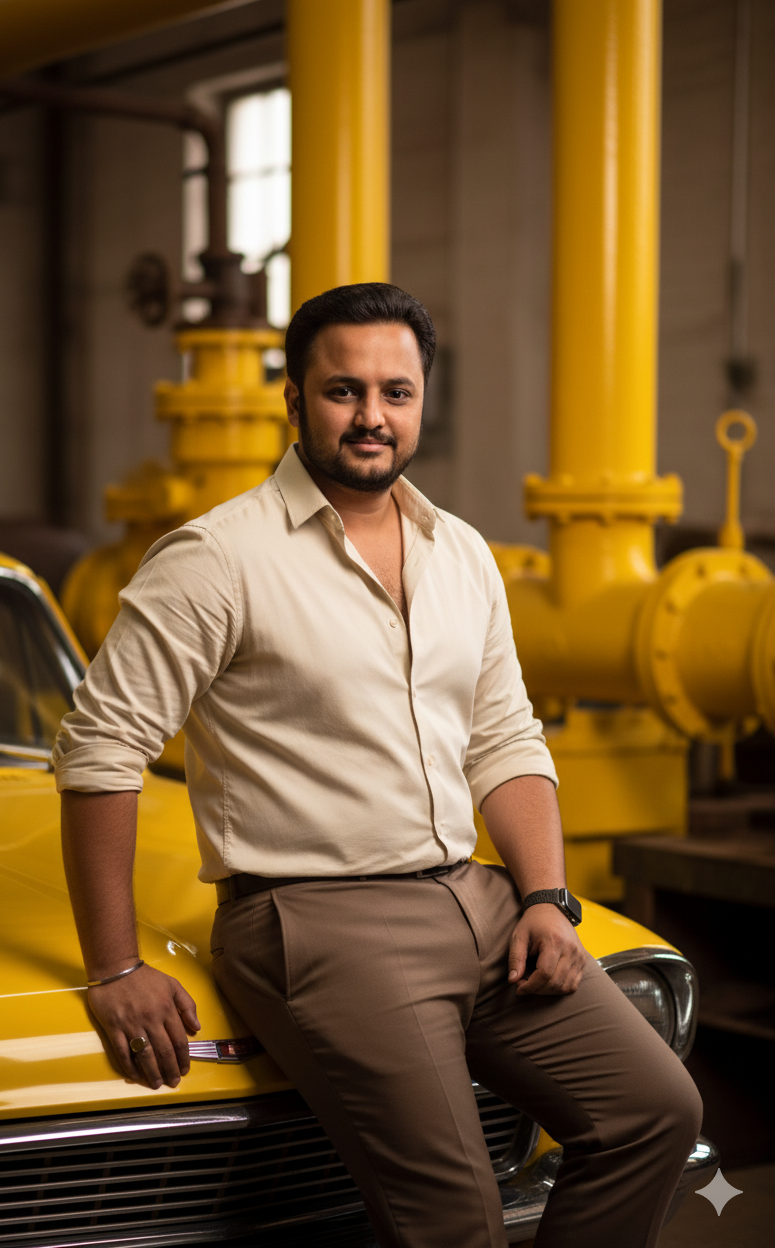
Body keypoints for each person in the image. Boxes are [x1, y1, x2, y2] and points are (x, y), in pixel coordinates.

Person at [55, 282, 702, 1248]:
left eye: (395, 392)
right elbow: (102, 747)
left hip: (477, 902)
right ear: (294, 399)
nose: (371, 417)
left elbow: (505, 736)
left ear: (422, 400)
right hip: (319, 920)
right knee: (457, 1219)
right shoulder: (215, 559)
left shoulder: (464, 553)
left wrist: (545, 899)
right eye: (343, 391)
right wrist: (112, 965)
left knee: (656, 1113)